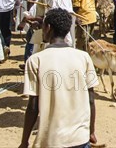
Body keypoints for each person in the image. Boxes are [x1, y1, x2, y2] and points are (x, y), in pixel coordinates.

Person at [20, 8, 98, 148]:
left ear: (48, 27)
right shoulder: (84, 57)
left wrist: (24, 141)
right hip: (80, 138)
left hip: (51, 140)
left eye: (43, 26)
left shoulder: (35, 60)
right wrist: (91, 131)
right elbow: (91, 99)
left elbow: (33, 105)